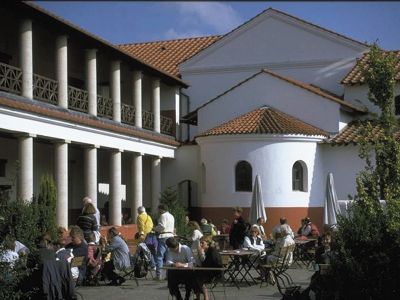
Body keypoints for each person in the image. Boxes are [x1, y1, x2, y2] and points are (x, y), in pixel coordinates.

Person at [154, 204, 175, 280]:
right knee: (169, 256)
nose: (158, 211)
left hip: (163, 236)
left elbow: (162, 226)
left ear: (161, 209)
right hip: (171, 236)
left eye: (158, 209)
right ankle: (168, 275)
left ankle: (159, 275)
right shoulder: (171, 216)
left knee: (159, 256)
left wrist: (155, 228)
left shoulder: (163, 216)